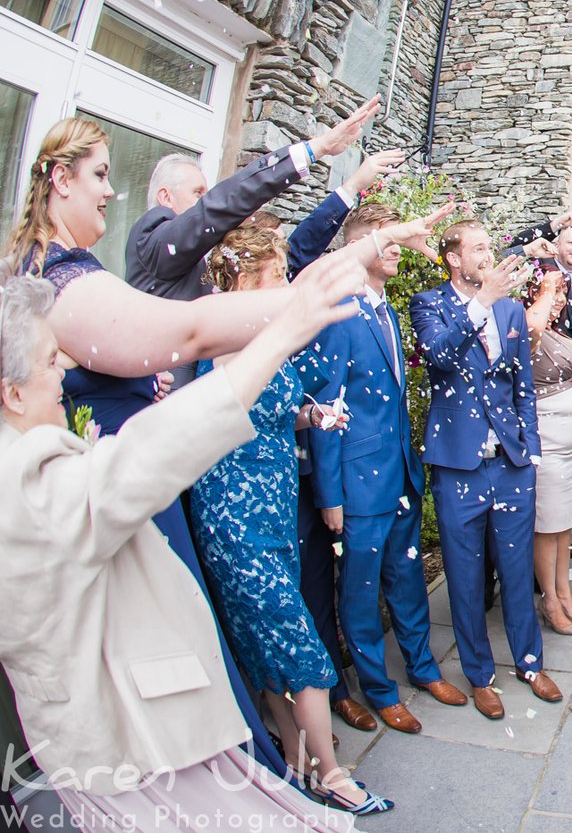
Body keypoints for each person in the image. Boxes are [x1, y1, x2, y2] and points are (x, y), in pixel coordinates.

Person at [0, 250, 368, 829]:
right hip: (120, 752)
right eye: (51, 361)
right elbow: (149, 454)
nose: (66, 374)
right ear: (12, 394)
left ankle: (299, 764)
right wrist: (281, 333)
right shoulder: (23, 482)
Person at [187, 227, 391, 815]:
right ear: (248, 281)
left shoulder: (265, 337)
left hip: (273, 508)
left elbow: (275, 410)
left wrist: (314, 414)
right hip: (235, 512)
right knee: (293, 640)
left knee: (268, 638)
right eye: (277, 274)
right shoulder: (224, 345)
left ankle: (295, 764)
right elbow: (225, 414)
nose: (283, 285)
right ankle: (331, 773)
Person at [302, 203, 470, 732]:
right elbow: (327, 404)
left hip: (398, 472)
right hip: (357, 484)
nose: (397, 247)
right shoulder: (338, 312)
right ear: (362, 246)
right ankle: (378, 689)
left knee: (408, 580)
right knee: (359, 589)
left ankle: (422, 669)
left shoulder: (386, 311)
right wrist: (330, 494)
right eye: (387, 240)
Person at [411, 219, 564, 718]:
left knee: (518, 569)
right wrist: (477, 306)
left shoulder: (511, 309)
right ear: (453, 258)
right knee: (464, 573)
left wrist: (532, 448)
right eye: (477, 248)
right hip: (459, 465)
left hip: (512, 463)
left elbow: (522, 385)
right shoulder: (430, 304)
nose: (486, 255)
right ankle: (479, 675)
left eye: (487, 246)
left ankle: (530, 662)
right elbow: (437, 355)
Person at [124, 96, 378, 303]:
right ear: (165, 197)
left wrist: (351, 187)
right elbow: (219, 206)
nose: (205, 201)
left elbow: (293, 257)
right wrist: (316, 148)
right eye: (197, 193)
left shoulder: (217, 253)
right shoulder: (153, 242)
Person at [529, 279, 572, 635]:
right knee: (548, 526)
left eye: (559, 295)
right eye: (553, 295)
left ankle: (565, 593)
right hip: (546, 444)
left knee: (564, 526)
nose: (558, 301)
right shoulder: (528, 326)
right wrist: (543, 298)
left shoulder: (560, 331)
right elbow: (530, 332)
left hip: (570, 447)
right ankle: (550, 601)